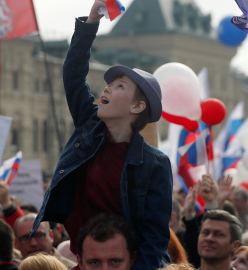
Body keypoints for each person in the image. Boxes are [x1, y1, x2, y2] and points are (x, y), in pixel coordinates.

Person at [31, 1, 173, 269]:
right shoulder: (89, 126)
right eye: (108, 84)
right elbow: (73, 75)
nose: (106, 89)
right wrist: (90, 24)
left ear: (137, 106)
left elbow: (155, 239)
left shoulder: (155, 164)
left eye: (119, 86)